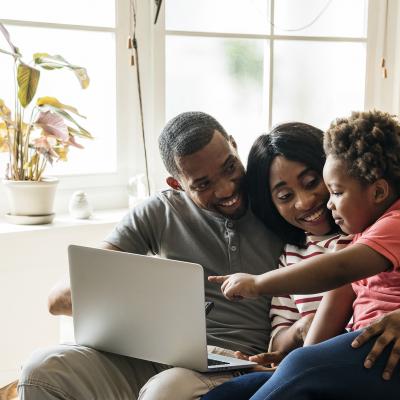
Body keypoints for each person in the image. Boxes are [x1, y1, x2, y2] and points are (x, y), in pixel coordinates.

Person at [205, 111, 400, 400]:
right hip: (347, 371)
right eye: (286, 196)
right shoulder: (300, 252)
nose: (306, 202)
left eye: (316, 184)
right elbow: (313, 322)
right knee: (233, 391)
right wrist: (294, 356)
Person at [17, 112, 285, 400]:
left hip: (230, 364)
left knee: (164, 390)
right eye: (203, 184)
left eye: (229, 167)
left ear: (233, 144)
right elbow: (59, 299)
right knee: (41, 372)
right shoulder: (161, 211)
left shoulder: (278, 203)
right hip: (153, 355)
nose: (226, 188)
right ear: (177, 184)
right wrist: (148, 314)